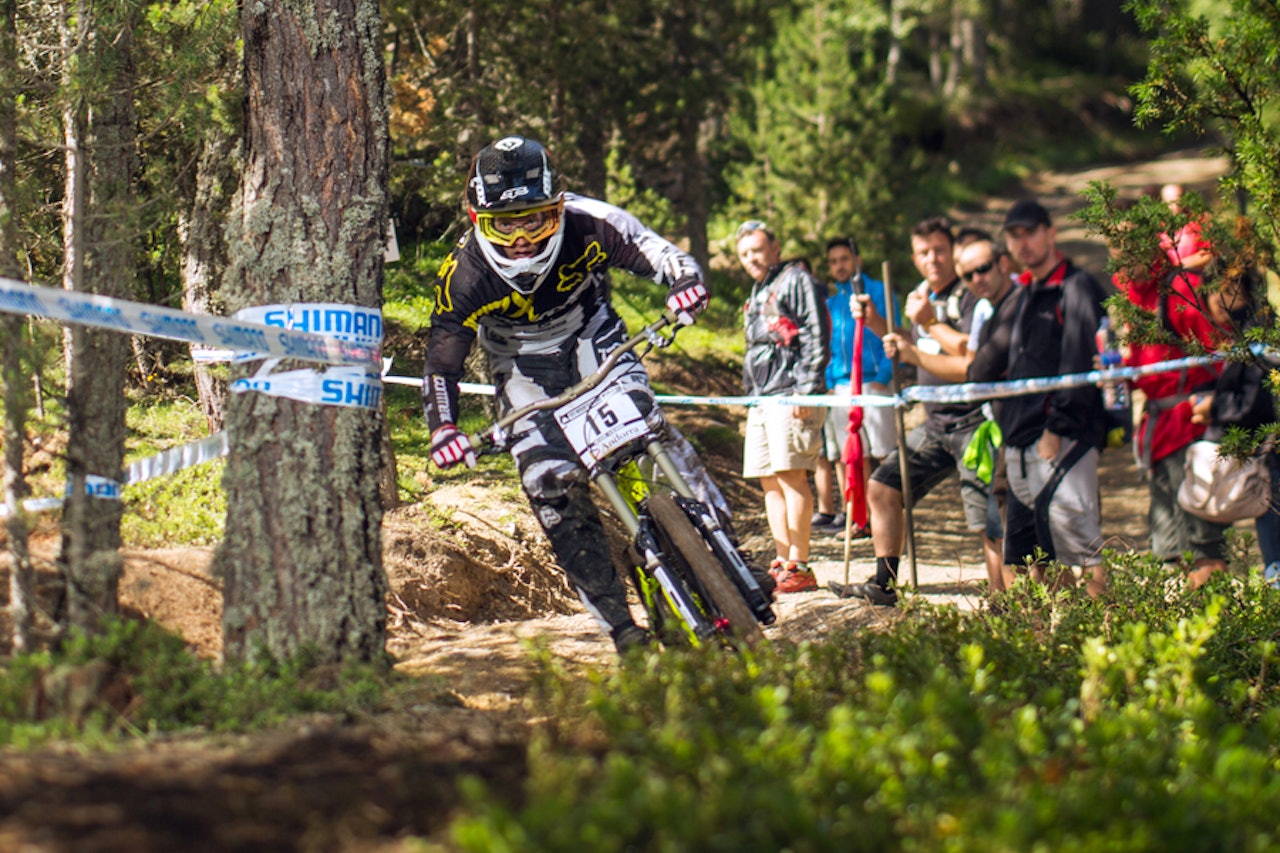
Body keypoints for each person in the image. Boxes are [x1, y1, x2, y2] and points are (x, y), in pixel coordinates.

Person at [423, 136, 714, 654]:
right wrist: (444, 429)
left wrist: (684, 280)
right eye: (503, 225)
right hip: (520, 367)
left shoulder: (590, 222)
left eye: (535, 220)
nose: (520, 240)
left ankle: (721, 545)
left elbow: (654, 250)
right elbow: (441, 364)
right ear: (477, 222)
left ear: (558, 207)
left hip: (592, 338)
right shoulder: (464, 275)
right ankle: (621, 630)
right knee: (549, 486)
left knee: (650, 433)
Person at [832, 217, 993, 606]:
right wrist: (876, 324)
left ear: (952, 252)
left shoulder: (972, 293)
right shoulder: (921, 294)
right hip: (935, 422)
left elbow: (971, 359)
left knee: (990, 517)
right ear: (914, 258)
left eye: (939, 250)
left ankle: (1005, 595)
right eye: (924, 253)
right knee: (883, 486)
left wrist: (926, 328)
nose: (933, 259)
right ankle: (884, 583)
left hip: (977, 422)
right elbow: (911, 347)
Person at [998, 199, 1110, 596]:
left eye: (1030, 232)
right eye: (1015, 235)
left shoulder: (1076, 286)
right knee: (1030, 558)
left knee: (1081, 553)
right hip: (1020, 439)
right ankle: (1046, 648)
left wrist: (1056, 429)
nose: (1023, 242)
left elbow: (1080, 365)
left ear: (1050, 233)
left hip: (1062, 439)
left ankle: (1104, 640)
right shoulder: (1024, 291)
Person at [1112, 204, 1227, 586]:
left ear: (1152, 247)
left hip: (1191, 424)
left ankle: (1217, 631)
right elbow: (1141, 364)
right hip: (1158, 430)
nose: (1125, 259)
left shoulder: (1181, 289)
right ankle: (1178, 632)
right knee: (1167, 543)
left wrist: (1218, 405)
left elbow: (1220, 353)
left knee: (1201, 541)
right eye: (1118, 251)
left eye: (1132, 249)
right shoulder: (1132, 297)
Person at [736, 220, 831, 593]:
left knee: (792, 476)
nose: (751, 259)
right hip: (762, 396)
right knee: (769, 481)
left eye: (757, 251)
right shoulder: (760, 289)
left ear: (775, 248)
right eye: (744, 254)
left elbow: (815, 330)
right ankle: (783, 561)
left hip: (791, 391)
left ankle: (801, 563)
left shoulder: (795, 279)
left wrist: (807, 390)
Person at [812, 236, 896, 538]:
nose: (839, 266)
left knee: (884, 452)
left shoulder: (877, 291)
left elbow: (893, 330)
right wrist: (832, 382)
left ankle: (891, 515)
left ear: (856, 259)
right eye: (833, 262)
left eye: (844, 259)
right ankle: (860, 520)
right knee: (852, 456)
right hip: (842, 385)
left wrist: (884, 375)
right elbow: (830, 346)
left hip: (873, 381)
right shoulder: (831, 303)